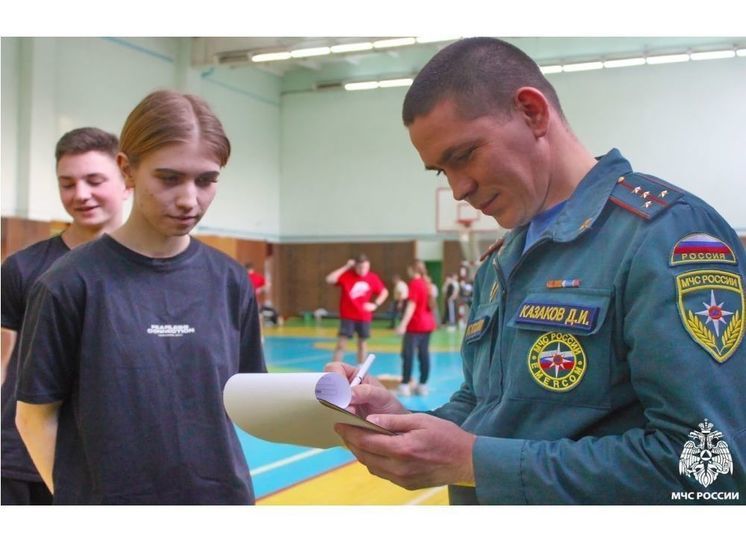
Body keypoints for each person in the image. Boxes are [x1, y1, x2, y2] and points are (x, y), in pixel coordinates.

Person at [329, 37, 746, 504]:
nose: (459, 188)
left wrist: (475, 462)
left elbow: (711, 472)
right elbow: (488, 405)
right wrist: (402, 420)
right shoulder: (502, 259)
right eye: (439, 172)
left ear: (532, 112)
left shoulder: (664, 236)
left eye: (464, 155)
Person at [14, 90, 266, 504]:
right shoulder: (67, 283)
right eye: (169, 178)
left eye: (206, 180)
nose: (189, 199)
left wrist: (325, 399)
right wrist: (80, 501)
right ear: (127, 171)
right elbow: (33, 416)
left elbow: (249, 397)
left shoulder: (230, 279)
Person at [1, 127, 131, 505]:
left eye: (94, 180)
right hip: (20, 459)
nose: (81, 195)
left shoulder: (146, 269)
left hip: (108, 459)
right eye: (67, 183)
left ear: (127, 181)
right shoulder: (23, 267)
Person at [326, 255, 388, 364]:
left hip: (364, 316)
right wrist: (346, 266)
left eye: (365, 267)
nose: (363, 270)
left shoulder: (372, 277)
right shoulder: (347, 275)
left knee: (362, 344)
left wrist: (375, 304)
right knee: (341, 344)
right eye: (360, 267)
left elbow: (384, 292)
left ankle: (360, 369)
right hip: (348, 316)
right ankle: (334, 370)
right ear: (355, 266)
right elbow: (329, 279)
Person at [395, 260, 436, 397]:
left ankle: (405, 385)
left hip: (416, 325)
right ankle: (422, 385)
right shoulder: (427, 283)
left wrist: (403, 324)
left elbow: (411, 306)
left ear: (412, 269)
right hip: (428, 324)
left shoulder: (415, 283)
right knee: (424, 355)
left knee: (408, 355)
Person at [245, 262, 279, 326]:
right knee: (255, 314)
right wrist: (261, 289)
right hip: (252, 299)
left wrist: (260, 289)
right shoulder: (248, 276)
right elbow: (268, 284)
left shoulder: (253, 276)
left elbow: (268, 284)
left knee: (254, 314)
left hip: (250, 299)